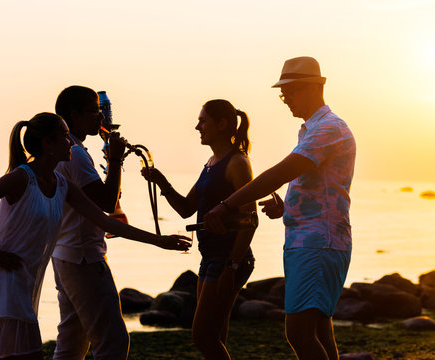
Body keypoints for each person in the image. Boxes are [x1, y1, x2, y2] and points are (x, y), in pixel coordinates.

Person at [0, 112, 190, 360]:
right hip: (4, 280)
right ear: (48, 144)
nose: (71, 143)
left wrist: (158, 240)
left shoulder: (61, 183)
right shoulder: (22, 177)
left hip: (28, 282)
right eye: (65, 137)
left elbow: (104, 220)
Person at [204, 57, 356, 360]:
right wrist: (287, 208)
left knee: (299, 333)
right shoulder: (313, 130)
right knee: (320, 331)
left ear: (313, 87)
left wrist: (226, 205)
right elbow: (321, 188)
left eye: (290, 92)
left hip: (318, 242)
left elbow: (279, 172)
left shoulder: (328, 129)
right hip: (311, 240)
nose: (285, 99)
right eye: (283, 93)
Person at [141, 99, 256, 360]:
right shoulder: (211, 162)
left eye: (203, 121)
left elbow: (251, 220)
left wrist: (232, 266)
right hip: (210, 258)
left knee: (202, 336)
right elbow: (186, 208)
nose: (197, 127)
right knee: (215, 337)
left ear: (222, 124)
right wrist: (161, 181)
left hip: (228, 259)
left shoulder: (237, 163)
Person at [50, 85, 145, 360]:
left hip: (64, 254)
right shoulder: (75, 153)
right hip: (84, 258)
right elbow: (105, 202)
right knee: (113, 343)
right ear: (74, 114)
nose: (100, 118)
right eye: (94, 111)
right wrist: (114, 158)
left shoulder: (67, 150)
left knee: (71, 344)